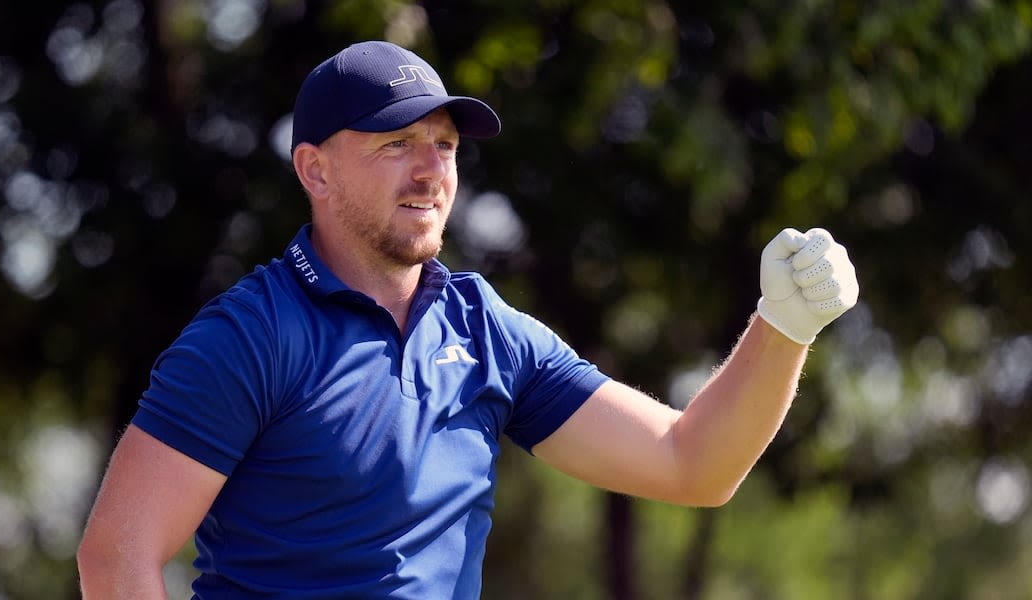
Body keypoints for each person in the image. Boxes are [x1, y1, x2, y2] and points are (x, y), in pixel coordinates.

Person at [76, 40, 859, 599]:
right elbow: (116, 559)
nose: (431, 171)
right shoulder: (250, 336)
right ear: (314, 168)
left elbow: (693, 465)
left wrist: (782, 327)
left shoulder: (485, 329)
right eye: (398, 143)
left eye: (445, 145)